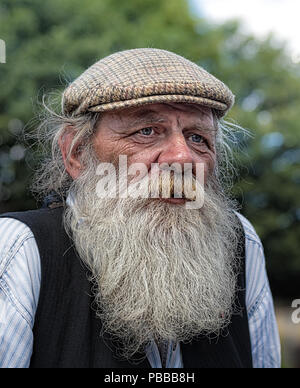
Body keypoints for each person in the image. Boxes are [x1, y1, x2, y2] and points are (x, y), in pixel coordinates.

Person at [0, 48, 281, 368]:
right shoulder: (19, 248)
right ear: (76, 153)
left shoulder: (240, 243)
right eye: (146, 131)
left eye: (198, 138)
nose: (182, 158)